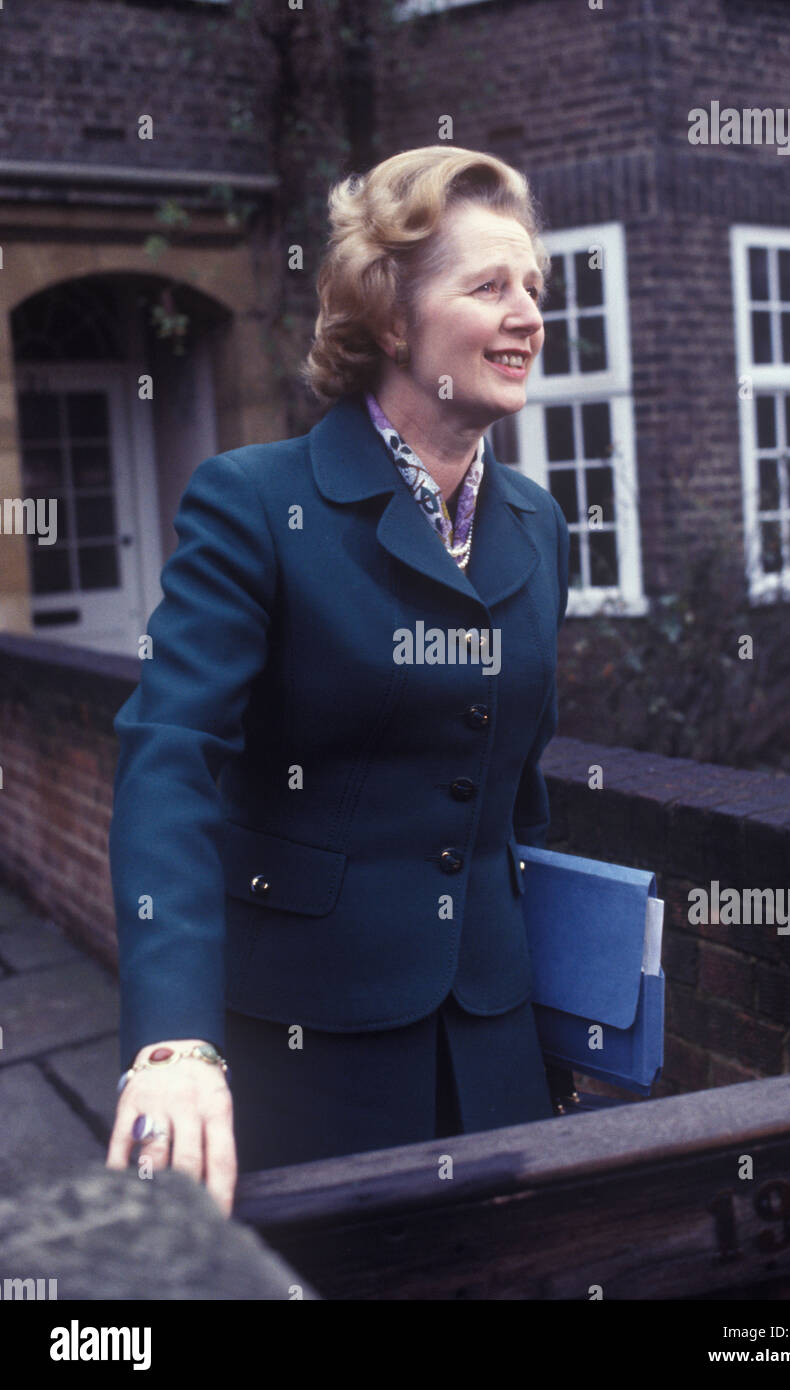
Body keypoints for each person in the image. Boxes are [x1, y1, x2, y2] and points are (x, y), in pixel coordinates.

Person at [105, 145, 570, 1218]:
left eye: (534, 289)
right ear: (395, 318)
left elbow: (514, 797)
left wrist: (573, 1017)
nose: (528, 314)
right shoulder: (254, 504)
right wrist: (173, 1040)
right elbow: (170, 762)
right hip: (308, 1059)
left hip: (500, 1055)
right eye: (489, 285)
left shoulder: (540, 526)